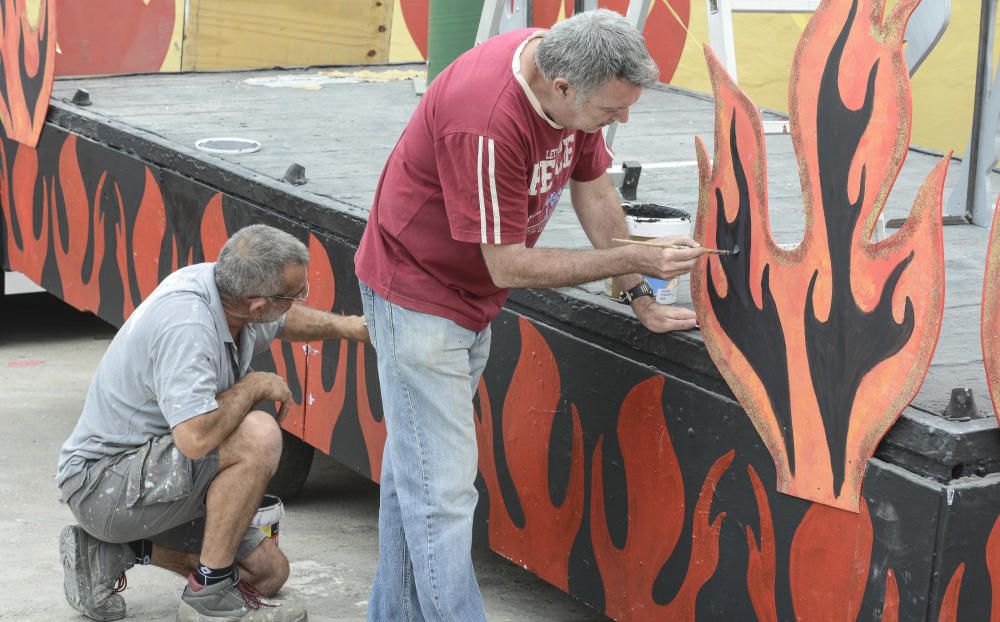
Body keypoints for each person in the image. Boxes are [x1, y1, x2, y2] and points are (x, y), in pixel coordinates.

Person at [354, 8, 706, 621]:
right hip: (419, 292)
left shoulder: (572, 71)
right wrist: (630, 257)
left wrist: (639, 293)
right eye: (610, 111)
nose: (621, 120)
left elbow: (594, 187)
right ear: (562, 87)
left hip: (466, 295)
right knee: (442, 495)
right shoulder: (487, 119)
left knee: (417, 478)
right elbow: (510, 267)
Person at [57, 224, 369, 622]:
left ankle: (112, 551)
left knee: (269, 574)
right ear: (257, 305)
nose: (297, 302)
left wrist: (352, 328)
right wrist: (254, 384)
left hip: (150, 476)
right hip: (104, 486)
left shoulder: (227, 288)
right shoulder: (188, 327)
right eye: (294, 295)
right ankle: (207, 599)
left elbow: (284, 321)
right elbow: (195, 439)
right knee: (258, 435)